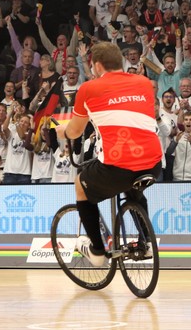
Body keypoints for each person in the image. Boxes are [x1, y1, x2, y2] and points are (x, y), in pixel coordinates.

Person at [55, 43, 163, 267]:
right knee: (133, 187)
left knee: (80, 184)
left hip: (117, 166)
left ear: (97, 65)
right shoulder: (144, 82)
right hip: (153, 163)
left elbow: (75, 131)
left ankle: (96, 251)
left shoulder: (89, 88)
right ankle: (146, 242)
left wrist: (62, 131)